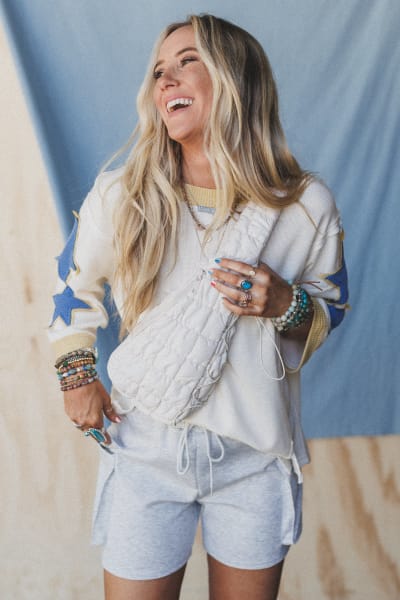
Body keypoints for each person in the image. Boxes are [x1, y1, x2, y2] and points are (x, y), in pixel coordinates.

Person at [48, 13, 348, 600]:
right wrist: (76, 375)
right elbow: (74, 286)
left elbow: (329, 311)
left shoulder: (302, 205)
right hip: (145, 450)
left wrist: (285, 304)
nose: (166, 79)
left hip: (253, 457)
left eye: (189, 61)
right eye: (160, 69)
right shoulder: (124, 193)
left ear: (237, 78)